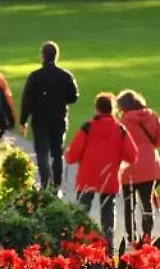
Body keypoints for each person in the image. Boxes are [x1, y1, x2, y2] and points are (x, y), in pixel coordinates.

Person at [66, 93, 139, 252]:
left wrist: (72, 157)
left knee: (81, 211)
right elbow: (132, 155)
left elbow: (72, 155)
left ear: (97, 108)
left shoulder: (88, 127)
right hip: (109, 177)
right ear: (112, 109)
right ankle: (108, 245)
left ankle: (77, 243)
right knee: (108, 213)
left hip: (87, 176)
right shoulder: (120, 129)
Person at [19, 41, 79, 192]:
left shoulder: (35, 77)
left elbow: (27, 100)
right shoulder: (65, 76)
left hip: (40, 119)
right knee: (57, 152)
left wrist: (23, 121)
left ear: (42, 56)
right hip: (58, 118)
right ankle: (57, 184)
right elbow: (73, 97)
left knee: (42, 152)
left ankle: (45, 181)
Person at [117, 90, 160, 244]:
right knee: (147, 203)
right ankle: (147, 237)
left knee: (130, 205)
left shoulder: (124, 121)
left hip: (129, 169)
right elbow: (157, 141)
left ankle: (132, 237)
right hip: (150, 165)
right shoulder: (152, 116)